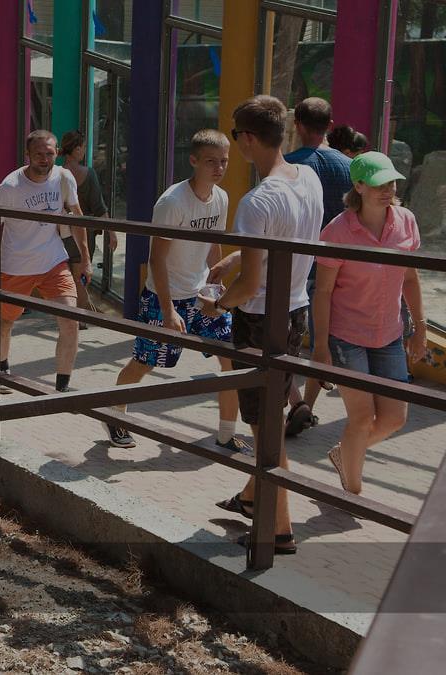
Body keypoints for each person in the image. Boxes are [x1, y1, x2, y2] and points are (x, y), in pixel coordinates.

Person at [201, 95, 324, 555]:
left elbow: (249, 287)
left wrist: (216, 305)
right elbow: (285, 240)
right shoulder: (307, 178)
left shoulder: (256, 202)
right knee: (268, 413)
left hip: (258, 320)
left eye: (237, 135)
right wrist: (237, 256)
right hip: (295, 310)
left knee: (265, 429)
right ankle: (253, 498)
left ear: (249, 139)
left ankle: (279, 531)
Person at [104, 130, 251, 454]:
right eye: (211, 161)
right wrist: (169, 310)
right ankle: (114, 414)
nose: (219, 168)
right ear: (194, 160)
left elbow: (213, 243)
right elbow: (156, 259)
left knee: (231, 357)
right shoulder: (172, 202)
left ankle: (226, 434)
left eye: (224, 161)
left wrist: (216, 288)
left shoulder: (222, 198)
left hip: (201, 297)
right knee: (145, 362)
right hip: (163, 297)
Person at [314, 152, 426, 495]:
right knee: (361, 418)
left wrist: (420, 328)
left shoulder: (406, 221)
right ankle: (353, 494)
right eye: (379, 184)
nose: (387, 189)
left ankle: (346, 453)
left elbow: (410, 278)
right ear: (359, 186)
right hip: (347, 336)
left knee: (395, 418)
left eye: (391, 182)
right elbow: (323, 292)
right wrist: (320, 347)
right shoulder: (337, 231)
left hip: (389, 334)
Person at [0, 130, 90, 393]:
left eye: (49, 153)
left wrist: (85, 260)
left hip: (53, 262)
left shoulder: (64, 178)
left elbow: (78, 217)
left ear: (57, 153)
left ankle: (62, 386)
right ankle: (0, 369)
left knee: (70, 319)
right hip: (17, 265)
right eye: (38, 154)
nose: (44, 159)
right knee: (5, 322)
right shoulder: (10, 187)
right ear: (28, 155)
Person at [282, 98, 355, 437]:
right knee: (320, 342)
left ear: (297, 125)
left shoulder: (290, 165)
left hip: (300, 268)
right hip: (342, 267)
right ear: (330, 125)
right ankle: (305, 405)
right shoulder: (350, 167)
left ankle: (299, 404)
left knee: (278, 338)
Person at [61, 130, 112, 326]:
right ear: (76, 149)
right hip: (84, 234)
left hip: (61, 234)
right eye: (82, 147)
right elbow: (99, 207)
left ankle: (68, 315)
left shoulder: (57, 174)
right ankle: (79, 319)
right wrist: (112, 232)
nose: (83, 151)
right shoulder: (88, 174)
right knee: (81, 276)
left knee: (66, 276)